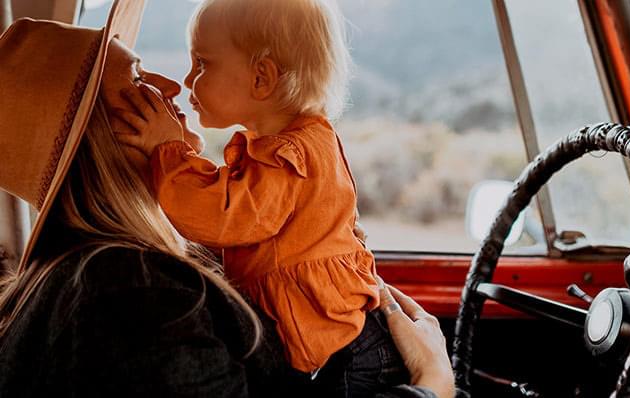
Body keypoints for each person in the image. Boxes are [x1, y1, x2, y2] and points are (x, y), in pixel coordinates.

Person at [0, 1, 455, 397]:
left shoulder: (107, 272)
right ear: (98, 135)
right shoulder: (133, 295)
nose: (174, 86)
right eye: (138, 78)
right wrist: (431, 385)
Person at [114, 0, 411, 395]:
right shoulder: (299, 143)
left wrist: (166, 149)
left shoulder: (287, 158)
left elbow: (223, 215)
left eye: (201, 63)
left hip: (346, 351)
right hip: (340, 340)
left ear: (261, 78)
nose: (187, 81)